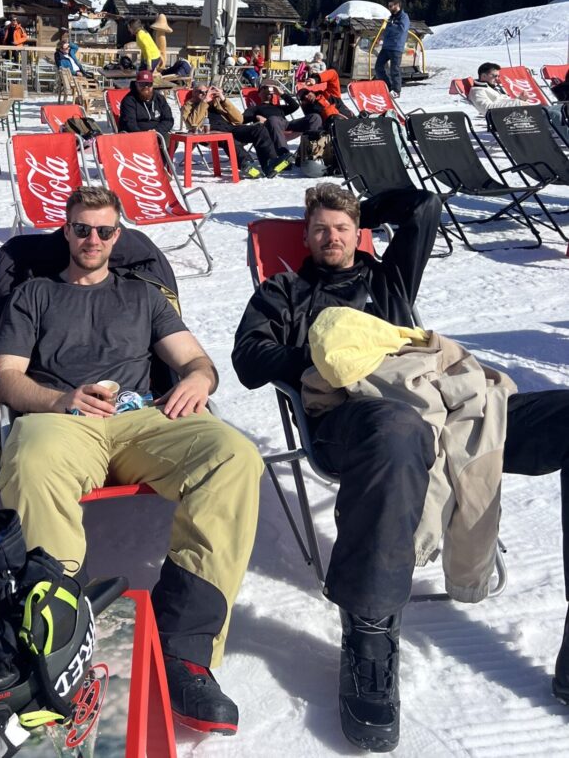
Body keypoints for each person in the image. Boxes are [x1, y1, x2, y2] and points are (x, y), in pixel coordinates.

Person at [232, 182, 569, 751]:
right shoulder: (284, 290)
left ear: (357, 231)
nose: (330, 237)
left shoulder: (384, 280)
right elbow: (247, 357)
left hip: (443, 410)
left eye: (341, 227)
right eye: (319, 229)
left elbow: (423, 207)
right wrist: (328, 358)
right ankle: (368, 631)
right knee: (397, 427)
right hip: (350, 423)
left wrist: (362, 207)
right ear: (305, 236)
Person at [0, 186, 263, 736]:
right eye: (82, 229)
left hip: (142, 420)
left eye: (104, 231)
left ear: (119, 236)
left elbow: (196, 359)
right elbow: (7, 378)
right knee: (32, 457)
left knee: (233, 454)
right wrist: (60, 400)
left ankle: (185, 648)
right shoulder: (33, 294)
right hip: (64, 420)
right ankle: (61, 634)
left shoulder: (143, 295)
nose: (93, 239)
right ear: (65, 231)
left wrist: (196, 380)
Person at [182, 83, 288, 179]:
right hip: (209, 132)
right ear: (193, 93)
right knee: (228, 137)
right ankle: (246, 164)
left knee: (259, 129)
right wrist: (204, 102)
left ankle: (270, 163)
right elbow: (192, 123)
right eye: (199, 91)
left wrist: (223, 99)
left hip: (230, 127)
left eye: (205, 91)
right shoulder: (188, 106)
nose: (203, 93)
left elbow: (239, 120)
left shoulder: (217, 103)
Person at [243, 80, 322, 163]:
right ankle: (284, 157)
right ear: (259, 93)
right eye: (265, 88)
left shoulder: (278, 107)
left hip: (286, 125)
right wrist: (256, 117)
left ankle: (305, 153)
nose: (269, 90)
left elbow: (295, 106)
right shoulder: (255, 108)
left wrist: (282, 94)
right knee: (273, 119)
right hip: (270, 128)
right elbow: (242, 119)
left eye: (271, 88)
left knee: (315, 117)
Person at [118, 68, 174, 144]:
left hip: (157, 133)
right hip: (136, 136)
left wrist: (156, 131)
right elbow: (129, 123)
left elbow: (168, 119)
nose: (146, 87)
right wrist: (145, 136)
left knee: (171, 140)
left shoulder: (159, 99)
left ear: (152, 85)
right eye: (142, 84)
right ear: (136, 84)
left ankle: (162, 156)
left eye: (149, 84)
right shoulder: (129, 100)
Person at [374, 0, 410, 97]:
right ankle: (388, 87)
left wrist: (390, 27)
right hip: (386, 47)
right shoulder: (391, 18)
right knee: (378, 67)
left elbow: (401, 29)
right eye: (388, 6)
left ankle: (396, 91)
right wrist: (381, 37)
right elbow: (386, 30)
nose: (389, 8)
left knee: (394, 69)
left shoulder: (404, 17)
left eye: (391, 6)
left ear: (397, 5)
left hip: (396, 47)